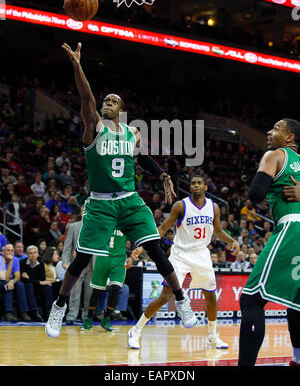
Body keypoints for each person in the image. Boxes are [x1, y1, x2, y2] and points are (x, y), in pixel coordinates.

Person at [45, 42, 196, 338]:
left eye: (113, 102)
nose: (107, 103)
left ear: (122, 110)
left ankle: (181, 299)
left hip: (129, 200)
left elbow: (142, 158)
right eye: (106, 101)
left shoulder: (132, 133)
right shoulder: (94, 128)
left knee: (155, 248)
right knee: (82, 259)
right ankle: (59, 306)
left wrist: (163, 174)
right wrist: (77, 66)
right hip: (100, 203)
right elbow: (86, 97)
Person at [128, 176, 239, 349]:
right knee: (165, 296)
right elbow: (164, 228)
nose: (195, 185)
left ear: (205, 186)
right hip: (180, 255)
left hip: (202, 255)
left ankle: (212, 336)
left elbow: (218, 231)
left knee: (210, 297)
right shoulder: (180, 205)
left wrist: (232, 241)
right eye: (193, 183)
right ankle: (136, 330)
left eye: (199, 183)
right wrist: (143, 245)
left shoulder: (214, 207)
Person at [238, 118, 300, 367]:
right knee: (295, 303)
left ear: (289, 138)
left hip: (292, 228)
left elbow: (256, 194)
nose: (268, 130)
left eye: (275, 128)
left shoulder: (274, 155)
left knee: (251, 299)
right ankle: (296, 359)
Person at [80, 228, 141, 332]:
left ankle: (106, 319)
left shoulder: (125, 222)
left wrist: (131, 256)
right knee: (96, 290)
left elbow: (137, 240)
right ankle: (89, 319)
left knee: (116, 288)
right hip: (103, 257)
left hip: (119, 259)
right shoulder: (105, 219)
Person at [61, 217, 93, 326]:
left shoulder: (97, 225)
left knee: (90, 292)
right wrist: (65, 261)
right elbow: (67, 246)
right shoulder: (74, 226)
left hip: (93, 262)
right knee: (75, 291)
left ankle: (86, 317)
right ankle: (71, 316)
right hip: (78, 261)